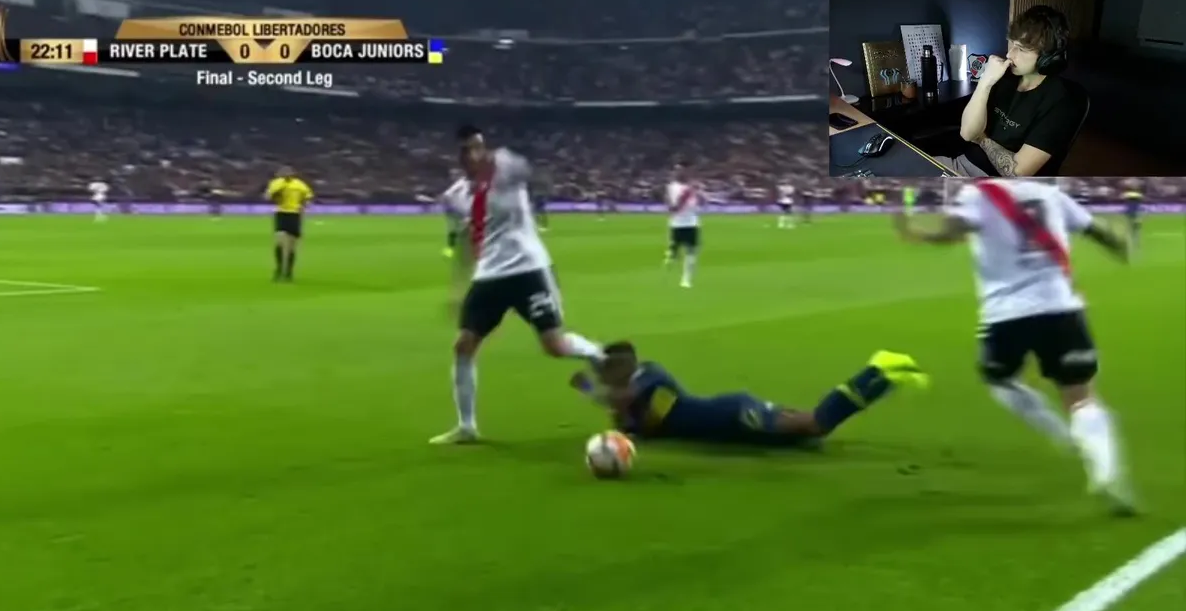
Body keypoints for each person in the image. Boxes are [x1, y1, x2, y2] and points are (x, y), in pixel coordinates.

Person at [893, 177, 1135, 513]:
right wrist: (1122, 245)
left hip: (1006, 314)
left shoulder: (978, 193)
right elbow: (1100, 232)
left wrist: (918, 233)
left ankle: (1060, 434)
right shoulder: (1051, 194)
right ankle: (1107, 472)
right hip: (1061, 308)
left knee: (1000, 379)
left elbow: (954, 229)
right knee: (1080, 395)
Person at [430, 125, 607, 445]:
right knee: (463, 346)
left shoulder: (505, 167)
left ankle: (596, 353)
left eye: (479, 146)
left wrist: (516, 172)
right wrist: (457, 289)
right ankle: (467, 426)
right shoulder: (455, 196)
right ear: (458, 155)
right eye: (468, 149)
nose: (476, 154)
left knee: (554, 346)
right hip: (489, 275)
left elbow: (533, 174)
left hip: (528, 268)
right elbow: (465, 242)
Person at [570, 342, 927, 447]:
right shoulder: (637, 389)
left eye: (608, 375)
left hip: (734, 415)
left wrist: (591, 392)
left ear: (623, 369)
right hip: (733, 420)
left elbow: (645, 424)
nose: (607, 382)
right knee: (806, 435)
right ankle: (880, 375)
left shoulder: (653, 377)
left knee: (815, 425)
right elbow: (625, 417)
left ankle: (880, 371)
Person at [943, 6, 1083, 177]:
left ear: (1047, 57)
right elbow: (967, 133)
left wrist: (982, 139)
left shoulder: (1061, 102)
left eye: (1021, 49)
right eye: (1012, 43)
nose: (1010, 54)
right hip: (960, 166)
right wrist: (985, 82)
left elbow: (1018, 172)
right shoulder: (1004, 76)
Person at [264, 166, 313, 282]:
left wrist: (304, 205)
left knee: (291, 245)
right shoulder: (276, 183)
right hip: (282, 213)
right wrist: (275, 195)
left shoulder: (299, 184)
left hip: (294, 214)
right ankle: (279, 269)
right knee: (280, 241)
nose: (286, 175)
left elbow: (308, 197)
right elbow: (268, 196)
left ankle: (289, 273)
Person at [439, 170, 473, 307]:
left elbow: (446, 198)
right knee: (466, 265)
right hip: (468, 229)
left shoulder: (462, 186)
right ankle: (462, 295)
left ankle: (461, 295)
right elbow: (447, 198)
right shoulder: (461, 185)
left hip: (470, 227)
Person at [663, 166, 701, 288]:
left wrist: (696, 194)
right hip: (677, 223)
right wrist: (673, 207)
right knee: (675, 248)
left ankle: (686, 279)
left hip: (691, 223)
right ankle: (671, 253)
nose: (680, 173)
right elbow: (669, 203)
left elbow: (697, 202)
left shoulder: (692, 187)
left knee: (691, 252)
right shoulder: (672, 187)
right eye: (677, 171)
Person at [1121, 178, 1144, 251]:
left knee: (1130, 227)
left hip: (1129, 212)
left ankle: (1130, 242)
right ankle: (1136, 242)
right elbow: (1141, 199)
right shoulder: (1138, 195)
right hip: (1136, 212)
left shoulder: (1127, 194)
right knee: (1136, 228)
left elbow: (1123, 197)